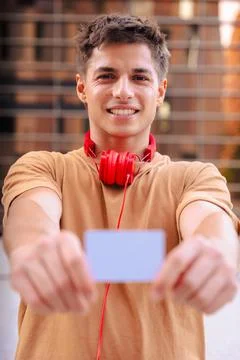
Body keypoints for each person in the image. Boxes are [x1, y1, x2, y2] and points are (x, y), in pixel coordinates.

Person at [2, 14, 239, 360]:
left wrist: (218, 250)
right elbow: (31, 214)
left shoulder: (196, 178)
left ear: (160, 91)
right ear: (82, 88)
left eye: (140, 77)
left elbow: (209, 222)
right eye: (107, 75)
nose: (123, 91)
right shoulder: (42, 167)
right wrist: (30, 246)